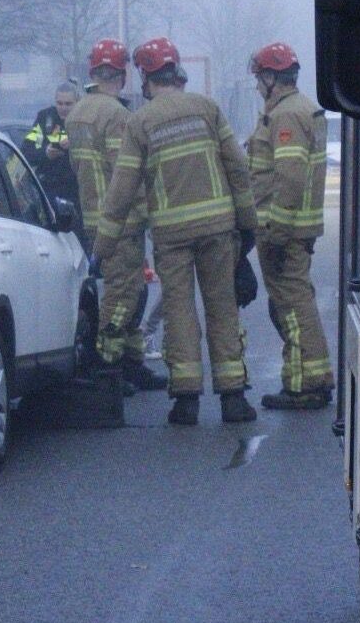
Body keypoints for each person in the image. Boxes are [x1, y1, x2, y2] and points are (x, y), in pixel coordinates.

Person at [94, 37, 260, 426]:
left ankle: (186, 401)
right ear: (176, 71)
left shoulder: (140, 122)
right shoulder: (207, 109)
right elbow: (238, 168)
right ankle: (233, 398)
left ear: (146, 77)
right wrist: (248, 226)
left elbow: (121, 189)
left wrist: (102, 246)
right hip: (219, 229)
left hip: (171, 237)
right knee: (222, 307)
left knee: (180, 312)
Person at [66, 40, 165, 392]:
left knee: (130, 288)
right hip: (120, 220)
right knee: (124, 294)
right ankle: (110, 367)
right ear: (122, 75)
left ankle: (132, 362)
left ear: (93, 72)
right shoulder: (117, 116)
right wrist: (148, 214)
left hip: (93, 218)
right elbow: (126, 172)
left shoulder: (77, 112)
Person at [246, 41, 334, 410]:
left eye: (259, 78)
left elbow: (289, 177)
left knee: (292, 306)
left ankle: (307, 384)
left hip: (283, 230)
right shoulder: (296, 109)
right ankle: (308, 376)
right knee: (295, 302)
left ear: (272, 78)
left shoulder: (286, 115)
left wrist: (277, 232)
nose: (256, 85)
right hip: (294, 228)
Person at [24, 82, 82, 203]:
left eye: (68, 104)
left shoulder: (84, 120)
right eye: (59, 103)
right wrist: (46, 153)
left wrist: (75, 144)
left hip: (77, 189)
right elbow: (28, 150)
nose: (63, 108)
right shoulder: (45, 119)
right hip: (49, 188)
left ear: (77, 102)